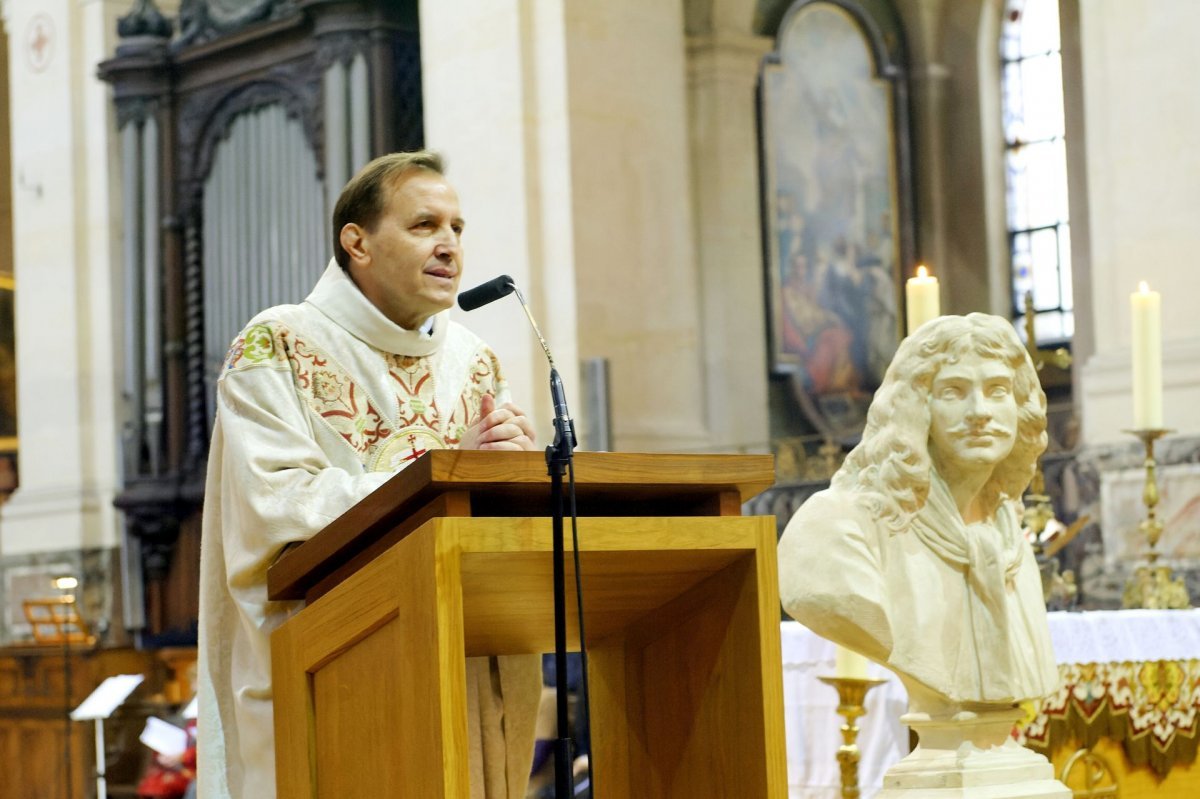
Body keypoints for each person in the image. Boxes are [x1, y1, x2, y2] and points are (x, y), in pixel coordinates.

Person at [196, 151, 542, 798]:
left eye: (457, 228)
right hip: (337, 662)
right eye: (424, 225)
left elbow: (489, 518)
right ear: (356, 241)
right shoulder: (278, 343)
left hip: (460, 654)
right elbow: (280, 505)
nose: (449, 245)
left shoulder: (475, 360)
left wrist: (518, 474)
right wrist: (449, 470)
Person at [778, 313, 1060, 713]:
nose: (980, 411)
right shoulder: (837, 527)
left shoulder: (1008, 539)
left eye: (997, 390)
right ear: (916, 409)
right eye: (953, 392)